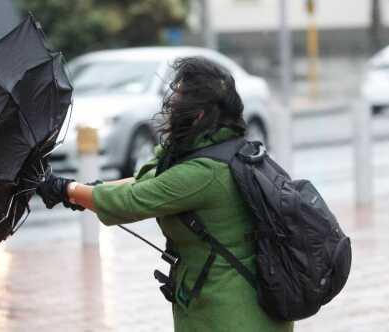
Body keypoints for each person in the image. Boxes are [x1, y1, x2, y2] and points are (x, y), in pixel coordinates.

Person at [37, 57, 294, 332]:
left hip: (232, 314)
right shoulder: (224, 149)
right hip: (236, 305)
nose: (171, 107)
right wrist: (88, 189)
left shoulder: (205, 172)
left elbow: (132, 201)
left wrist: (66, 189)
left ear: (198, 115)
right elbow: (146, 181)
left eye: (178, 100)